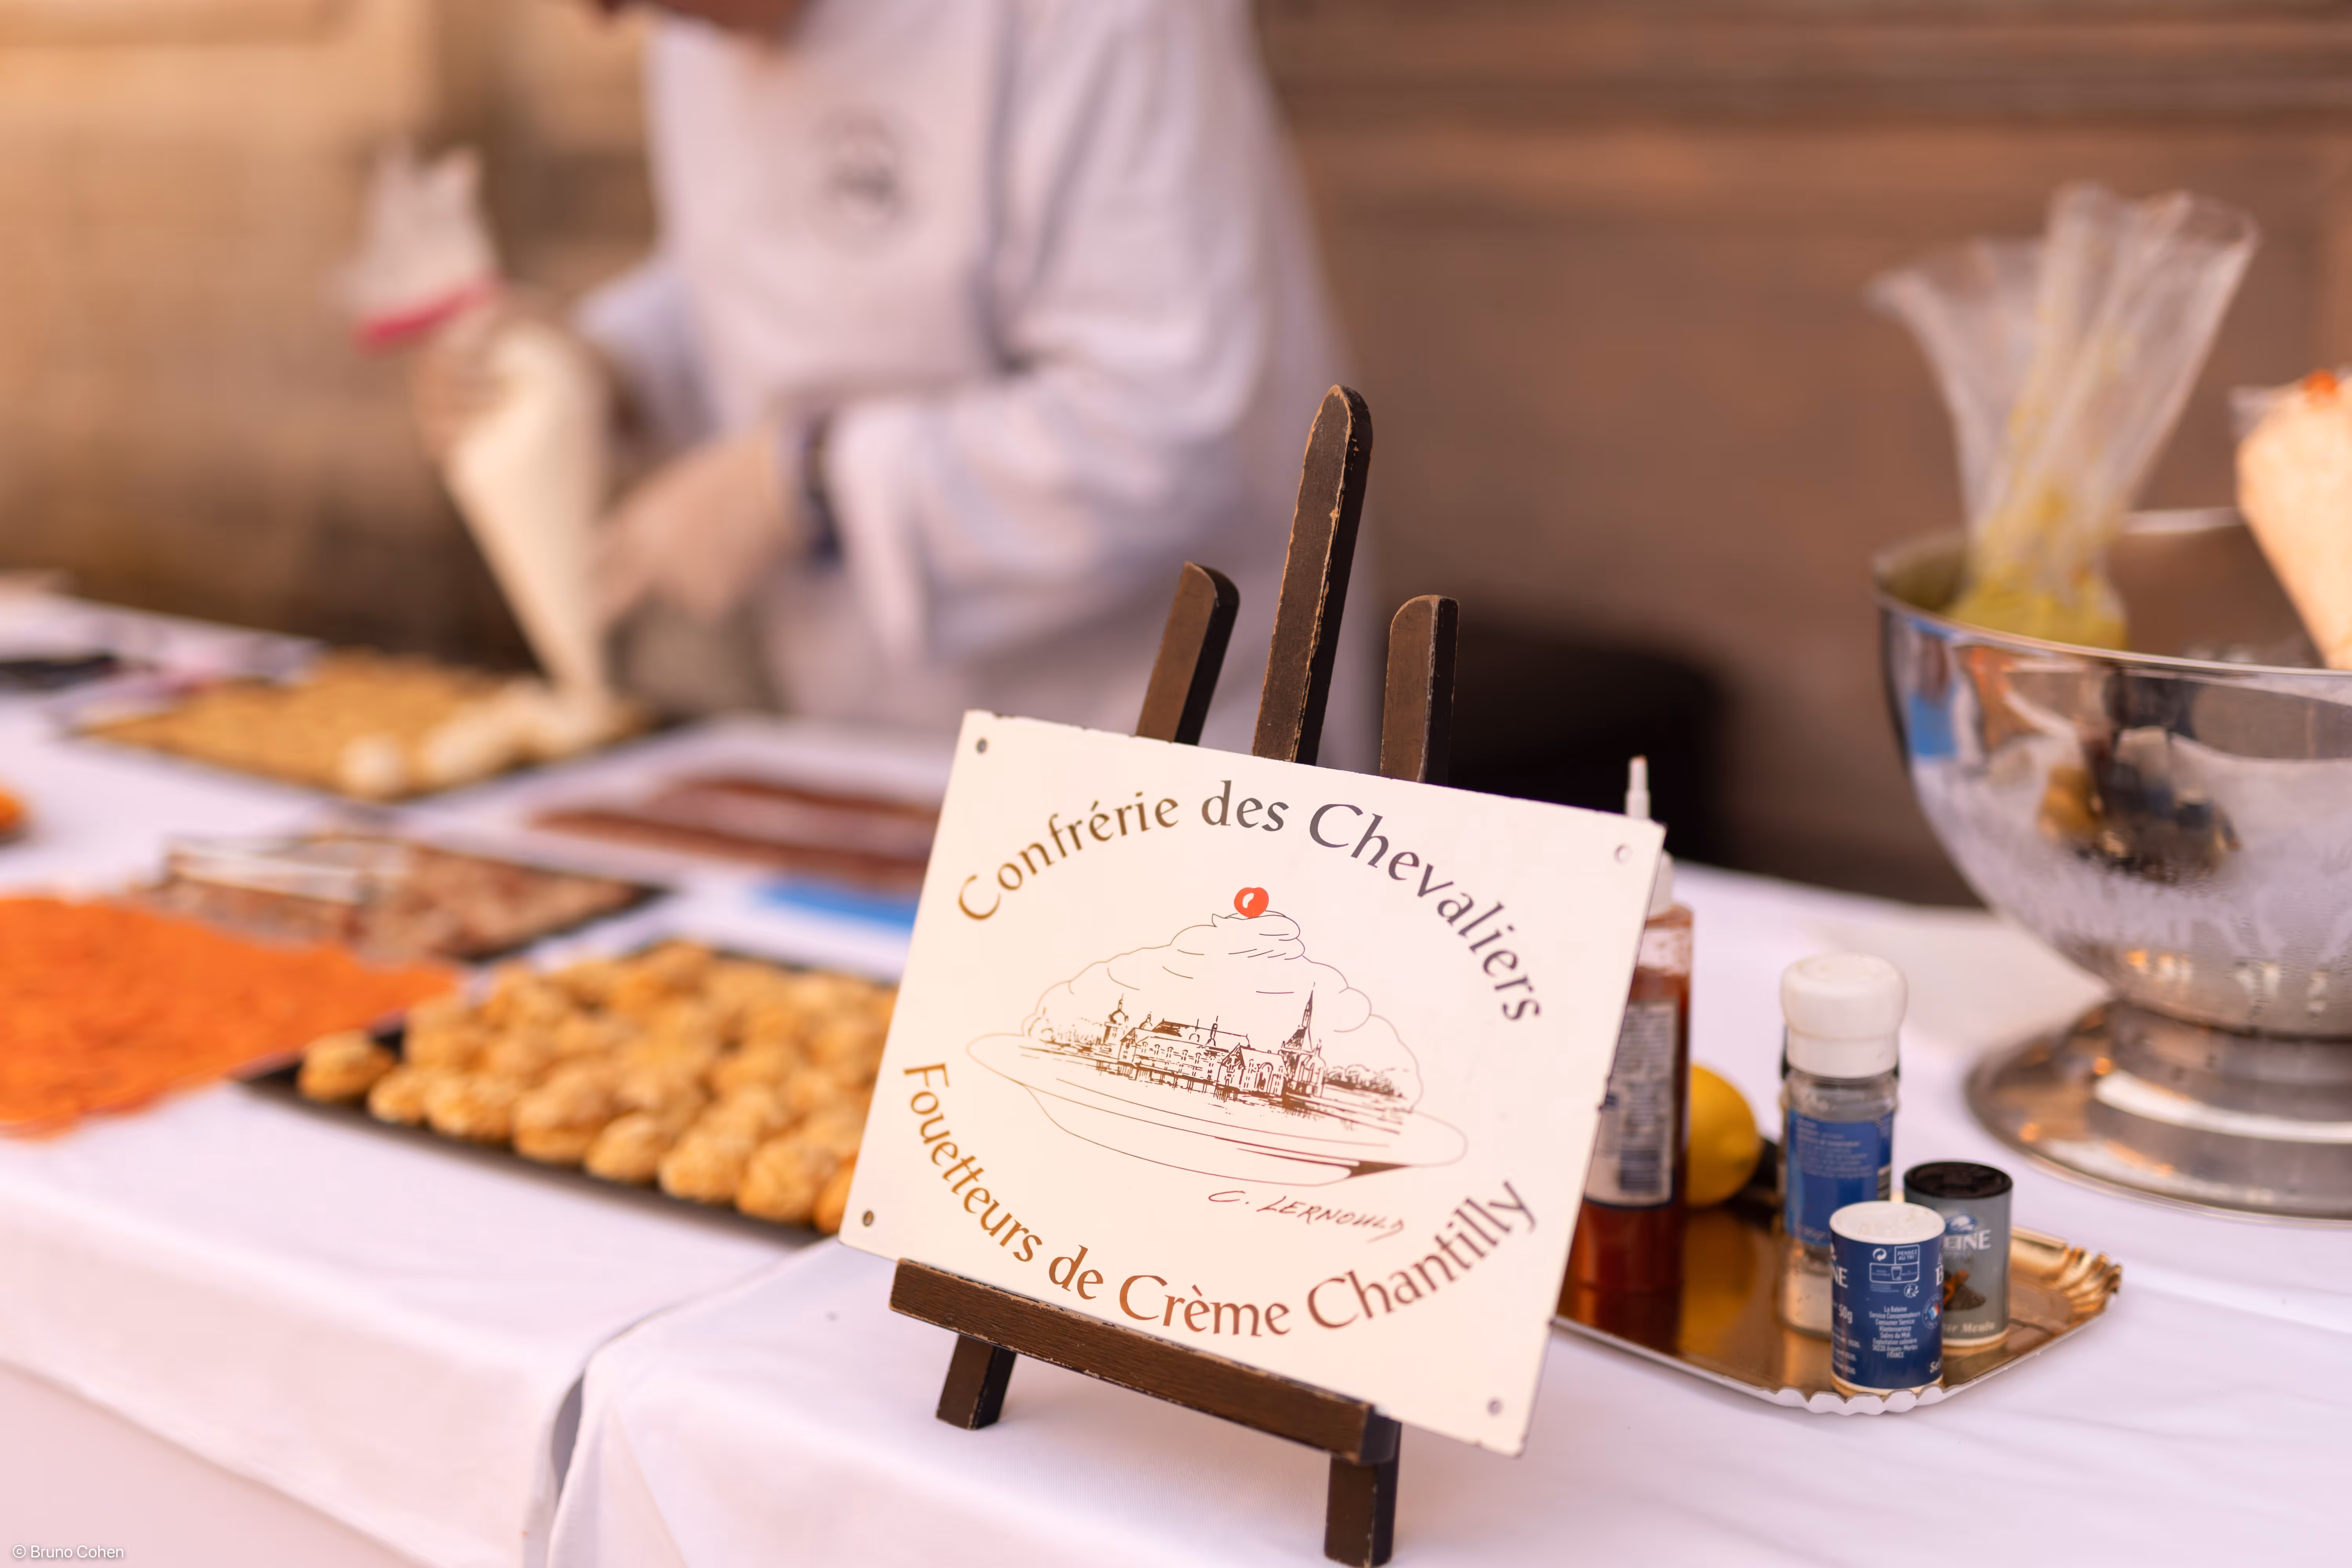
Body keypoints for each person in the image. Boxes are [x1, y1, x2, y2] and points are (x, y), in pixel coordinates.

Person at [416, 0, 1368, 759]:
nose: (600, 16)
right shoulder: (694, 38)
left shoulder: (1099, 19)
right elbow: (759, 277)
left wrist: (806, 481)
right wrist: (606, 365)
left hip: (1143, 726)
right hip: (864, 724)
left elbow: (1163, 424)